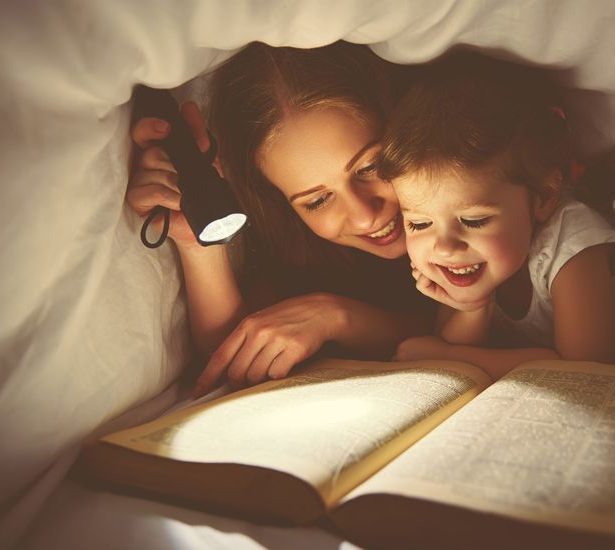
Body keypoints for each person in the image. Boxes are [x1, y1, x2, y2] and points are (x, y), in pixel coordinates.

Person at [126, 42, 432, 397]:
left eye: (370, 167)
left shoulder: (480, 183)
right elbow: (235, 356)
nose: (365, 217)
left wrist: (337, 317)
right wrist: (196, 237)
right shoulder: (298, 253)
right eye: (317, 201)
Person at [381, 53, 615, 380]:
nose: (444, 247)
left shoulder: (572, 245)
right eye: (419, 224)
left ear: (543, 196)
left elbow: (588, 369)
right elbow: (451, 339)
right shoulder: (463, 262)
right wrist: (473, 304)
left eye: (473, 221)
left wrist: (448, 357)